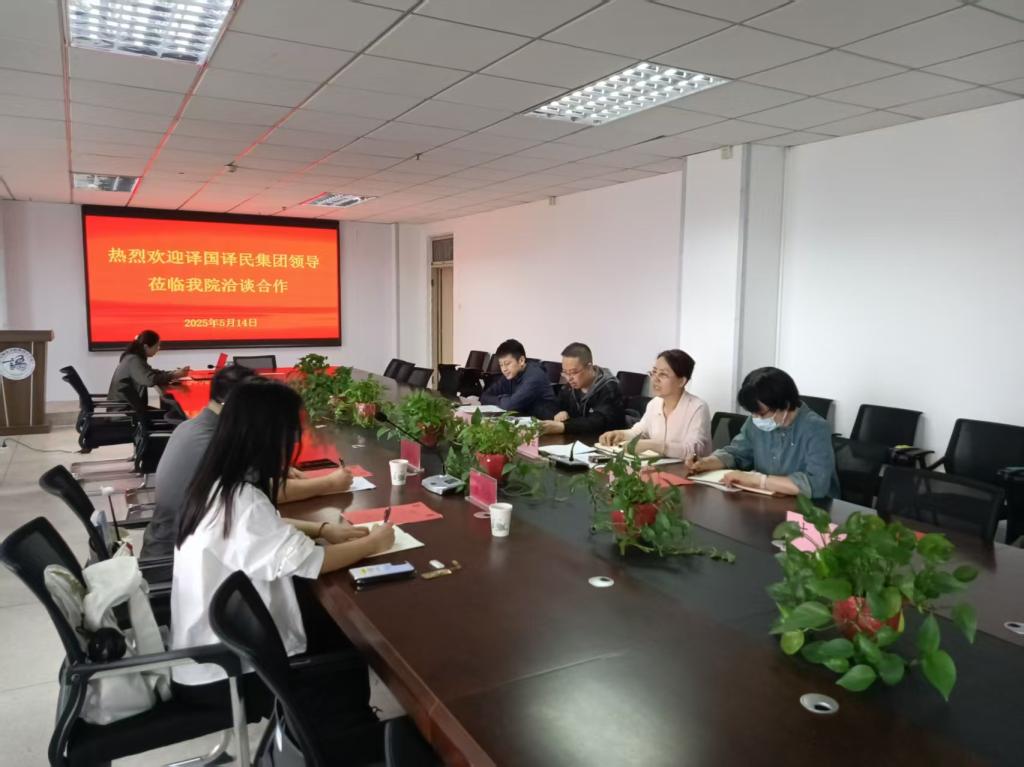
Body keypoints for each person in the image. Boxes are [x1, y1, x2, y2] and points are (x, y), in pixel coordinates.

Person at [171, 379, 394, 761]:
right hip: (224, 670)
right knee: (350, 638)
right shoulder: (241, 502)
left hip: (211, 648)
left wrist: (323, 530)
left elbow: (266, 528)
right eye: (292, 433)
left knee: (331, 621)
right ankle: (350, 743)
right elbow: (312, 563)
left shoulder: (219, 484)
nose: (295, 443)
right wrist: (374, 543)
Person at [141, 365, 354, 563]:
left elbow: (253, 519)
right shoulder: (215, 446)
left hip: (180, 549)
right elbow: (264, 499)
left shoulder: (192, 427)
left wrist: (321, 528)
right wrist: (329, 484)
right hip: (175, 561)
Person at [684, 367, 840, 498]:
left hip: (812, 509)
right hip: (768, 501)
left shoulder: (815, 427)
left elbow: (817, 484)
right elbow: (737, 453)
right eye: (753, 413)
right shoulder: (756, 420)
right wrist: (707, 462)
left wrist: (759, 480)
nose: (756, 418)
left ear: (785, 404)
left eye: (761, 413)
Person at [598, 350, 711, 459]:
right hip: (658, 466)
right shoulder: (655, 403)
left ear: (681, 381)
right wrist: (620, 434)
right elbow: (639, 432)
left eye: (663, 374)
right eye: (654, 372)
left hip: (687, 469)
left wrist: (656, 446)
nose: (655, 379)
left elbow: (695, 450)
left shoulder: (697, 407)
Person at [540, 342, 625, 436]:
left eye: (573, 372)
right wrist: (558, 412)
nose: (569, 378)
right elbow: (553, 404)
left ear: (589, 367)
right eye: (565, 372)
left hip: (603, 440)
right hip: (575, 438)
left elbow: (598, 423)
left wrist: (563, 427)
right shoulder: (570, 386)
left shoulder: (609, 388)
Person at [479, 339, 558, 419]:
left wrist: (505, 399)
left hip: (544, 421)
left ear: (521, 361)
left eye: (507, 364)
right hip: (523, 418)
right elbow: (484, 396)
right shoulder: (511, 374)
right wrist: (506, 398)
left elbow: (510, 405)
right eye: (501, 365)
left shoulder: (534, 376)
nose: (504, 369)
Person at [107, 329, 188, 403]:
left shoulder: (134, 358)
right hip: (125, 410)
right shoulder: (133, 360)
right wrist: (173, 375)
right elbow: (150, 380)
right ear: (146, 347)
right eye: (156, 346)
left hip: (131, 405)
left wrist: (173, 373)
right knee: (172, 406)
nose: (158, 349)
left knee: (169, 404)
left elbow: (151, 372)